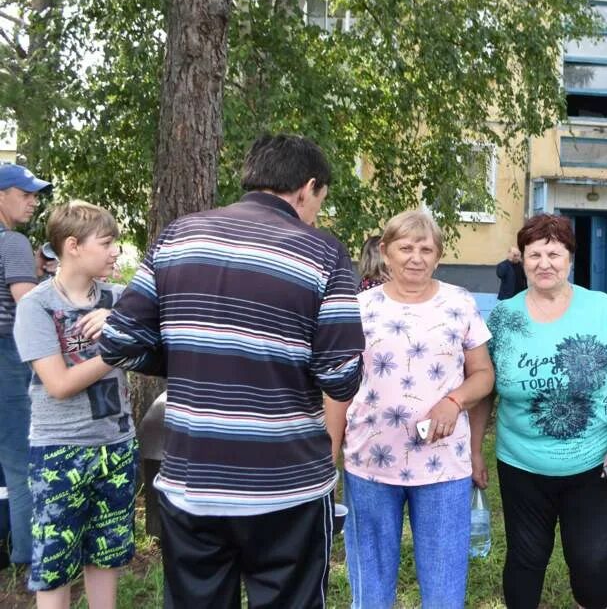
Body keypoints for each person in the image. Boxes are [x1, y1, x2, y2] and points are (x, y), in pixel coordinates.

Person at [99, 134, 365, 608]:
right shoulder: (322, 253)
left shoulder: (178, 236)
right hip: (287, 486)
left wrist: (188, 358)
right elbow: (341, 374)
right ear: (306, 188)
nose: (317, 213)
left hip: (191, 480)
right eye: (319, 201)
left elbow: (118, 341)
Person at [471, 214, 607, 609]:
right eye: (534, 254)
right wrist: (474, 448)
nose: (544, 263)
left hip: (592, 465)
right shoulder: (503, 317)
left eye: (554, 253)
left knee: (592, 562)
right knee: (526, 560)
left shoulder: (600, 309)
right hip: (521, 466)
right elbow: (484, 391)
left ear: (570, 259)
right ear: (522, 259)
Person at [328, 210, 494, 609]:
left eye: (426, 248)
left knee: (443, 589)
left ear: (438, 256)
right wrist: (328, 456)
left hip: (442, 467)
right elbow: (338, 388)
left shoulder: (459, 304)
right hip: (370, 463)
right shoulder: (360, 307)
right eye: (405, 247)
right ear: (385, 252)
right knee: (370, 588)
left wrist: (454, 401)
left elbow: (484, 375)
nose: (416, 257)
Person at [14, 201, 134, 608]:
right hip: (60, 450)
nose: (115, 250)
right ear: (73, 246)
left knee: (107, 555)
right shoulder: (36, 306)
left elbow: (159, 331)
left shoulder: (119, 299)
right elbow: (59, 384)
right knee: (55, 564)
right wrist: (116, 346)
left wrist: (118, 322)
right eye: (106, 242)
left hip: (116, 445)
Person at [0, 163, 52, 572]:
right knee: (21, 460)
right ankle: (29, 559)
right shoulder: (12, 241)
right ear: (1, 195)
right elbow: (26, 305)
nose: (33, 201)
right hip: (7, 358)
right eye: (25, 193)